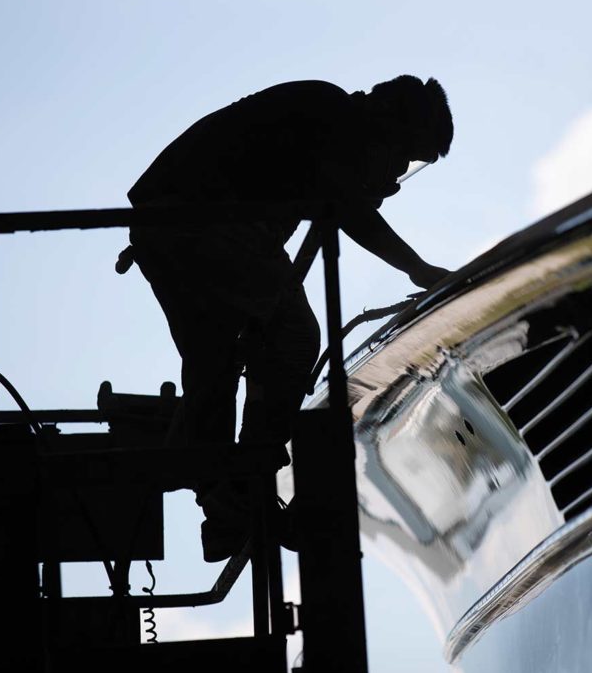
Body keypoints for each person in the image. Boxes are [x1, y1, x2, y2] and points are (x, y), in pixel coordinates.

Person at [121, 76, 453, 560]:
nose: (397, 174)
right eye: (403, 156)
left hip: (168, 225)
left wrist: (361, 186)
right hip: (202, 220)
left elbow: (338, 194)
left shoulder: (322, 129)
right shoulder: (329, 111)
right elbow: (348, 208)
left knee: (215, 364)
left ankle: (224, 503)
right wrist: (417, 268)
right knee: (293, 335)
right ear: (385, 120)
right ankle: (246, 483)